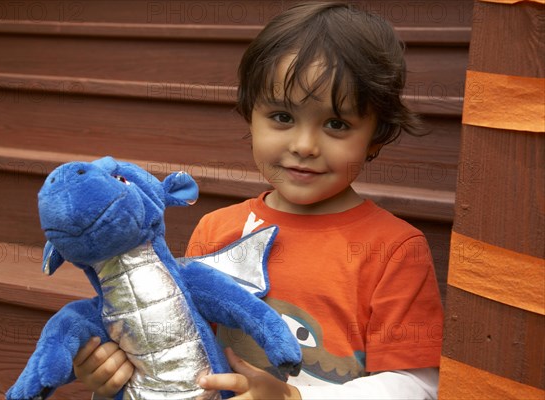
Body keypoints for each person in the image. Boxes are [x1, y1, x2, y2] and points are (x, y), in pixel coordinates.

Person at [73, 2, 444, 399]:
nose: (304, 146)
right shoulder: (217, 229)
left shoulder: (395, 249)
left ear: (376, 137)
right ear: (250, 114)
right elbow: (180, 343)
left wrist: (293, 398)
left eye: (336, 124)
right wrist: (115, 374)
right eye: (282, 117)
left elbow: (417, 386)